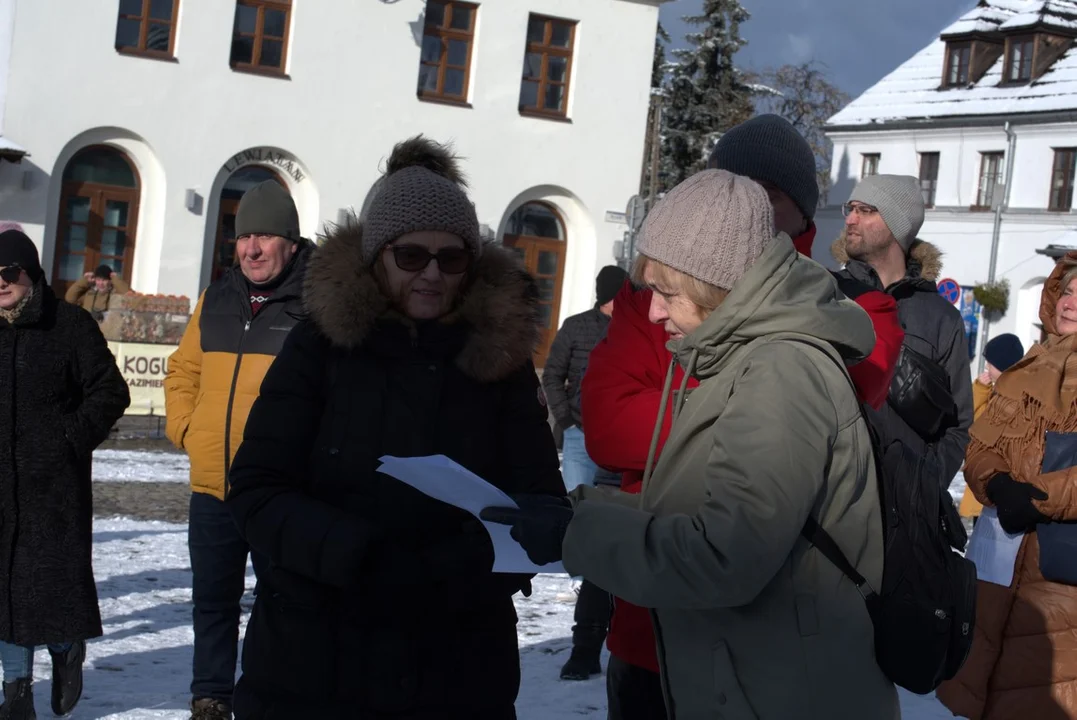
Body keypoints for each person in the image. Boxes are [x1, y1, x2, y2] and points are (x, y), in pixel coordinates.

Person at [484, 169, 899, 718]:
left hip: (783, 689)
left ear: (716, 285)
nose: (653, 312)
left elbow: (726, 554)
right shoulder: (746, 358)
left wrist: (575, 535)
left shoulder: (780, 370)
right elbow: (694, 508)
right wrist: (581, 510)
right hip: (754, 676)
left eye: (666, 291)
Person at [225, 136, 566, 719]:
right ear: (378, 256)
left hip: (457, 662)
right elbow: (257, 489)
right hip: (317, 659)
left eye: (451, 258)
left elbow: (541, 501)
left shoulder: (499, 359)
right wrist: (361, 554)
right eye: (411, 256)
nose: (432, 274)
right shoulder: (321, 345)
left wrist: (460, 563)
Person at [164, 180, 313, 720]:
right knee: (212, 602)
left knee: (283, 601)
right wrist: (187, 428)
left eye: (265, 236)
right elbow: (183, 371)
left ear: (290, 242)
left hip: (280, 489)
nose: (251, 248)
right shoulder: (216, 299)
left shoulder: (314, 304)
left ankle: (272, 695)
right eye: (244, 235)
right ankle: (210, 697)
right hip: (213, 484)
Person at [937, 254, 1077, 719]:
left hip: (1060, 583)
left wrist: (1038, 499)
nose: (1071, 303)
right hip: (998, 564)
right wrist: (996, 481)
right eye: (1069, 290)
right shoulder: (1024, 370)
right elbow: (980, 443)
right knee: (980, 688)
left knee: (1041, 696)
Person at [0, 229, 129, 719]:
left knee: (49, 589)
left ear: (30, 274)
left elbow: (110, 391)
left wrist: (67, 440)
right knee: (4, 589)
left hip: (53, 487)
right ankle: (15, 690)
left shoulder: (69, 325)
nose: (1, 283)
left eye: (9, 273)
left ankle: (65, 647)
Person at [834, 174, 974, 490]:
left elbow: (959, 425)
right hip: (830, 501)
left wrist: (923, 486)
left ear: (899, 226)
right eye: (851, 208)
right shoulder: (827, 292)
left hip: (906, 518)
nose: (851, 219)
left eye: (866, 210)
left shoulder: (941, 317)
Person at [541, 264, 627, 681]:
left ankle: (594, 581)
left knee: (609, 522)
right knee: (580, 509)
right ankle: (579, 575)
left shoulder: (635, 327)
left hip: (619, 441)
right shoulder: (578, 328)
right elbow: (553, 375)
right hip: (581, 434)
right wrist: (565, 418)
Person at [959, 332, 1025, 520]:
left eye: (990, 363)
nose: (986, 366)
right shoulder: (991, 391)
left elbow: (979, 424)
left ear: (1003, 365)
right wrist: (979, 388)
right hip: (983, 478)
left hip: (997, 481)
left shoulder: (1010, 396)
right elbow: (968, 415)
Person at [64, 263, 131, 314]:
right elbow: (70, 298)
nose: (101, 283)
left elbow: (130, 296)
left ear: (110, 281)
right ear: (95, 280)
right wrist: (84, 281)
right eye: (98, 280)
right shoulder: (89, 294)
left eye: (104, 280)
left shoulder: (115, 294)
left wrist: (116, 280)